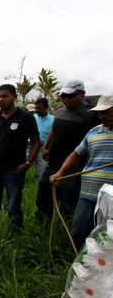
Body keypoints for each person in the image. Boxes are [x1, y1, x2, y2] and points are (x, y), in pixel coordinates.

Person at [50, 93, 113, 251]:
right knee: (79, 233)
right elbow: (76, 154)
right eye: (100, 112)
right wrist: (60, 173)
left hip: (111, 198)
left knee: (108, 238)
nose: (101, 116)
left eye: (106, 112)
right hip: (88, 193)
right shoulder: (93, 132)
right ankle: (81, 267)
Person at [36, 80, 100, 220]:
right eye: (63, 95)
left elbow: (95, 138)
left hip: (74, 166)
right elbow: (54, 129)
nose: (66, 99)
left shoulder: (90, 114)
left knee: (68, 198)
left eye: (70, 96)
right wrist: (46, 147)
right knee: (44, 194)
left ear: (82, 94)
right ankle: (44, 223)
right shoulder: (59, 111)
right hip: (52, 162)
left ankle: (65, 227)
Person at [0, 84, 39, 239]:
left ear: (14, 97)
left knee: (13, 207)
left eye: (4, 96)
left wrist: (28, 163)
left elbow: (35, 141)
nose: (1, 99)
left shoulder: (26, 117)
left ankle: (13, 238)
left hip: (14, 170)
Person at [32, 98, 54, 184]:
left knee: (41, 171)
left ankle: (36, 188)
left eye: (39, 108)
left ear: (46, 107)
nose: (37, 110)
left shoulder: (53, 119)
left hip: (42, 148)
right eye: (36, 108)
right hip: (29, 146)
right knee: (20, 167)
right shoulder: (32, 118)